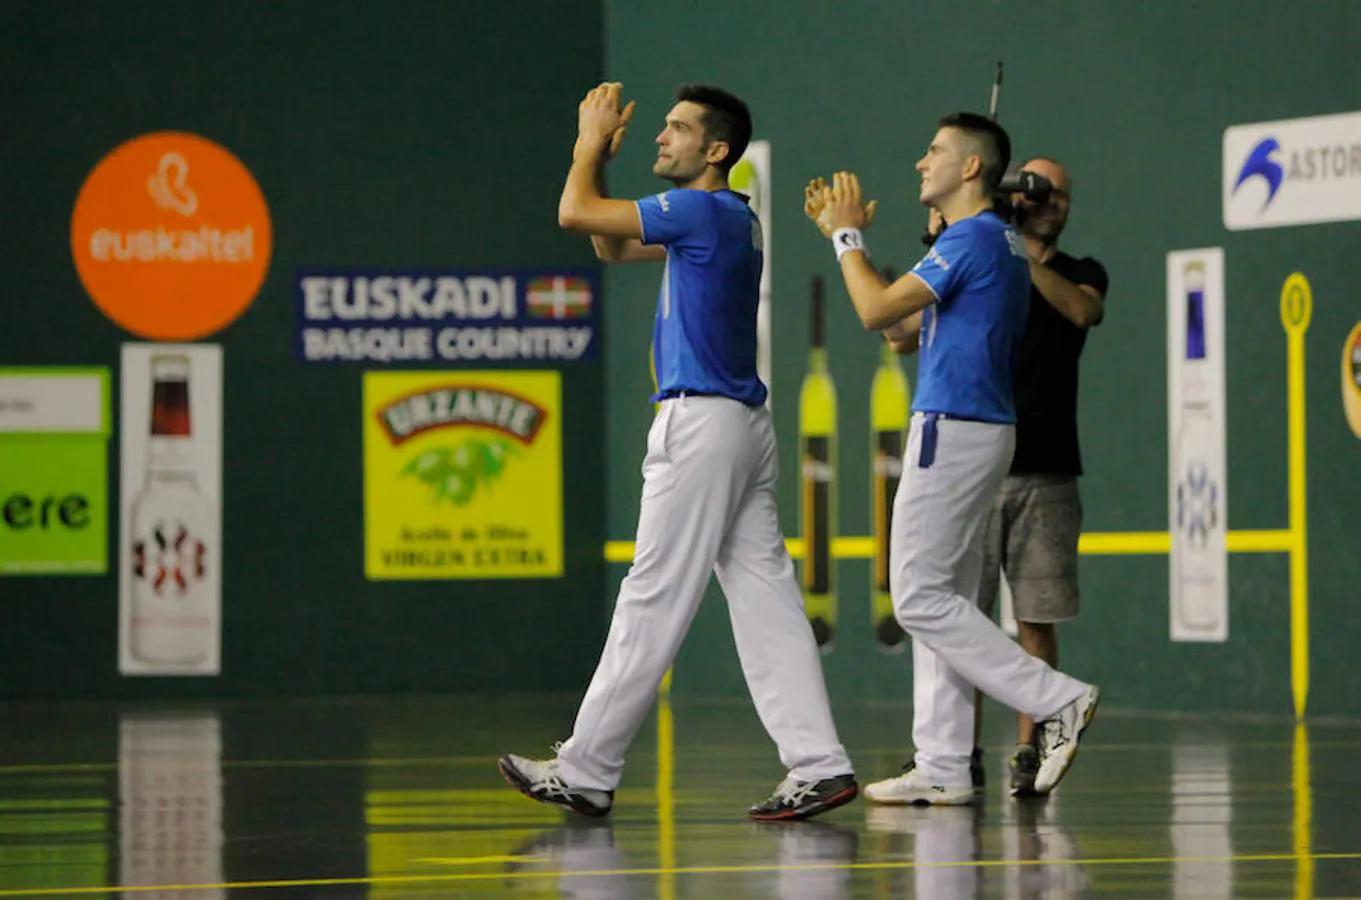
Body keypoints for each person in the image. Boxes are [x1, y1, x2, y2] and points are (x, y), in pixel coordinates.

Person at [498, 82, 858, 822]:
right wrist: (600, 164)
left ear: (715, 150)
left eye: (676, 129)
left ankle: (587, 767)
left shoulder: (699, 209)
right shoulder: (722, 217)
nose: (661, 137)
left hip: (701, 429)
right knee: (766, 602)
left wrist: (588, 143)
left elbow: (571, 213)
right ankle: (820, 765)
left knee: (651, 595)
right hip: (739, 430)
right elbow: (605, 241)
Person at [803, 112, 1099, 807]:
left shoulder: (971, 238)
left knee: (916, 596)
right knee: (945, 594)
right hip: (974, 429)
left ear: (971, 168)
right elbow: (903, 330)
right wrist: (850, 247)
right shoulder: (985, 240)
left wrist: (847, 238)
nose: (919, 162)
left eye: (934, 151)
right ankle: (939, 762)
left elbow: (873, 311)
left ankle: (1056, 699)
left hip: (955, 429)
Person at [976, 157, 1110, 796]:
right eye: (1039, 190)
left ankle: (1029, 750)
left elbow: (1081, 312)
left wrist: (1015, 256)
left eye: (1061, 193)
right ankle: (957, 751)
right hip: (975, 469)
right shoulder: (984, 266)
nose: (1053, 201)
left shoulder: (1081, 273)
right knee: (963, 620)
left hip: (1048, 472)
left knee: (1035, 619)